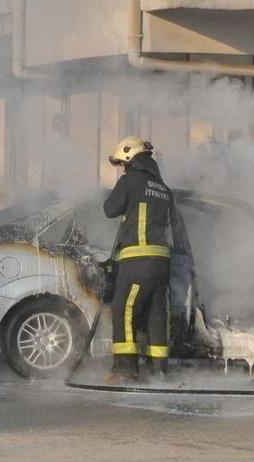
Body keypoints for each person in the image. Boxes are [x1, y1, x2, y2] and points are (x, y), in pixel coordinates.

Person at [103, 136, 178, 383]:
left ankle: (125, 369)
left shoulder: (129, 181)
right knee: (157, 315)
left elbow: (110, 209)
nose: (122, 169)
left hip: (137, 261)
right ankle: (160, 372)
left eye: (122, 164)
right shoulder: (163, 188)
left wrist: (121, 188)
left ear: (129, 159)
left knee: (124, 311)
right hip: (161, 263)